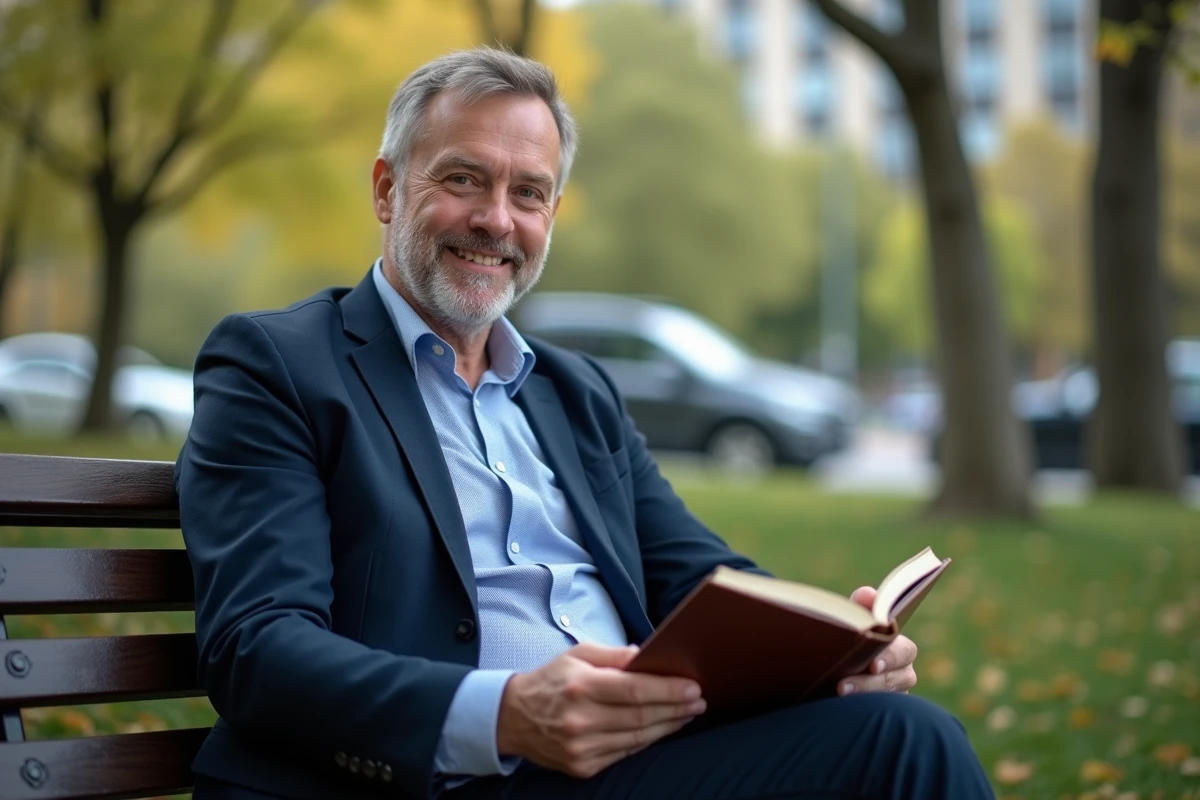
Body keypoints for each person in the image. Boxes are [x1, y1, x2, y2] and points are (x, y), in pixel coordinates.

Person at [176, 47, 996, 800]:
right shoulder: (280, 365)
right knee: (904, 746)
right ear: (388, 190)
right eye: (463, 179)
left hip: (631, 766)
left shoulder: (574, 392)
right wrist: (502, 714)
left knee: (900, 729)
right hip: (432, 782)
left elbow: (698, 575)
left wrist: (834, 648)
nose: (497, 219)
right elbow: (257, 644)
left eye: (528, 193)